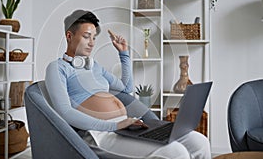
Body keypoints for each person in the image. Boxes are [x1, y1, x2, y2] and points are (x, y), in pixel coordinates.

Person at [45, 9, 211, 159]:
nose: (92, 42)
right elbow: (65, 112)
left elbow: (126, 89)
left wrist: (123, 54)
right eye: (86, 36)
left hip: (127, 126)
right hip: (100, 134)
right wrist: (114, 125)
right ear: (69, 36)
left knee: (199, 141)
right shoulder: (57, 68)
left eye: (94, 37)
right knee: (175, 152)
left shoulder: (94, 66)